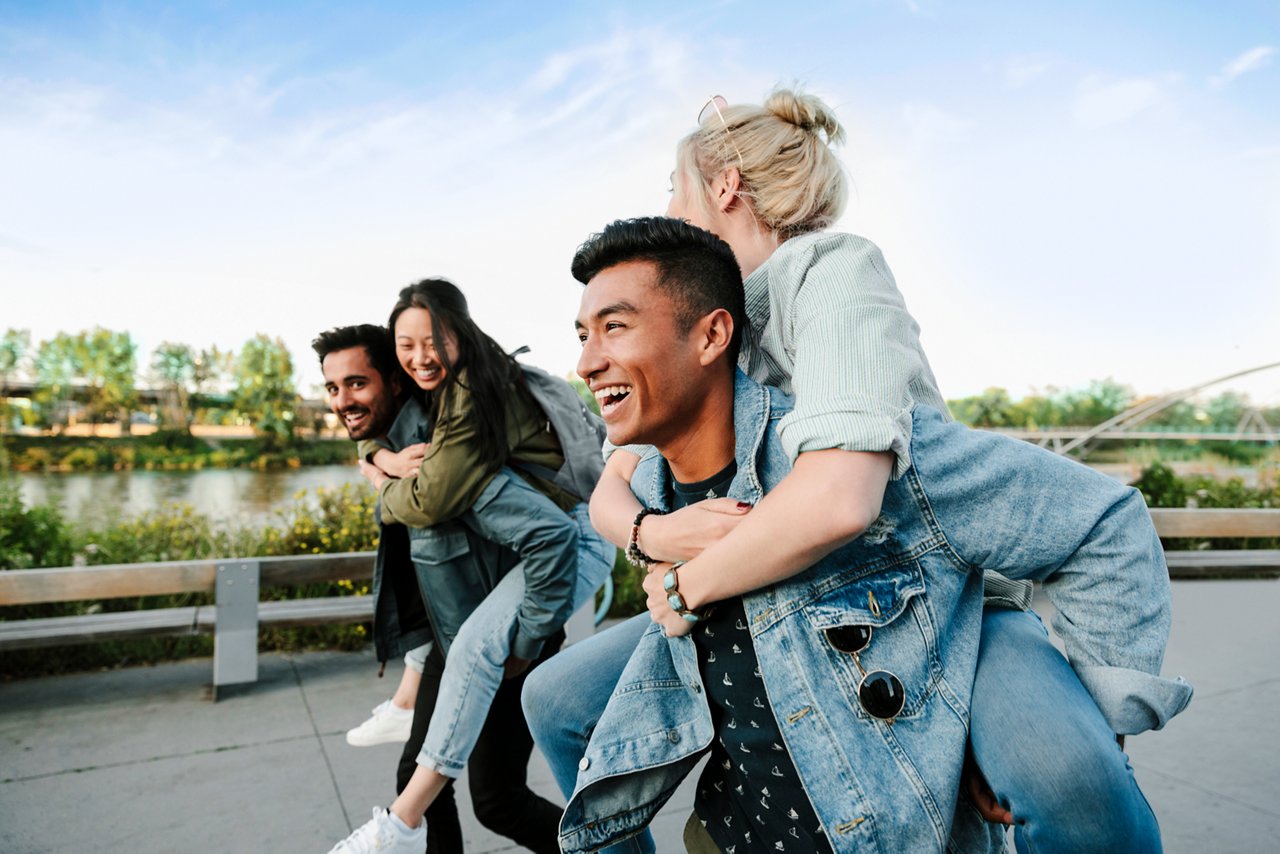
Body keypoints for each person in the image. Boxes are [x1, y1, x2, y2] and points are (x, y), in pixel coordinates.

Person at [524, 89, 1192, 853]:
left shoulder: (827, 270)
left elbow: (842, 495)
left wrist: (683, 581)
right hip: (777, 581)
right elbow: (616, 480)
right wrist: (654, 531)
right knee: (556, 697)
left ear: (725, 187)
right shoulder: (708, 330)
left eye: (673, 189)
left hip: (931, 583)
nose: (667, 210)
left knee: (1064, 769)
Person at [314, 305, 614, 853]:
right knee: (457, 788)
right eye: (332, 387)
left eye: (356, 383)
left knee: (492, 798)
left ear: (399, 382)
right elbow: (369, 442)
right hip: (452, 634)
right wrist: (377, 457)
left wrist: (524, 643)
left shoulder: (440, 457)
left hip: (506, 639)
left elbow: (550, 537)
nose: (342, 401)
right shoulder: (396, 442)